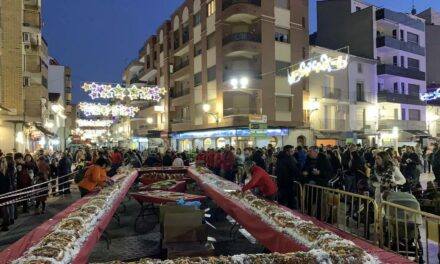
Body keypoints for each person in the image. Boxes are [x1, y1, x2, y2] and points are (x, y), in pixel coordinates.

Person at [276, 145, 301, 209]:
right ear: (287, 152)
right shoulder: (289, 158)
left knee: (281, 201)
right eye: (292, 151)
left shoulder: (279, 158)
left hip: (280, 182)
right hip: (288, 183)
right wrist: (302, 178)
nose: (293, 153)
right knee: (290, 202)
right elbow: (294, 170)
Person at [0, 158, 11, 231]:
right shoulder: (7, 171)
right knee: (5, 208)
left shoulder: (1, 172)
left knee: (3, 209)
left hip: (1, 192)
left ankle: (5, 224)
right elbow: (9, 182)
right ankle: (6, 222)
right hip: (6, 192)